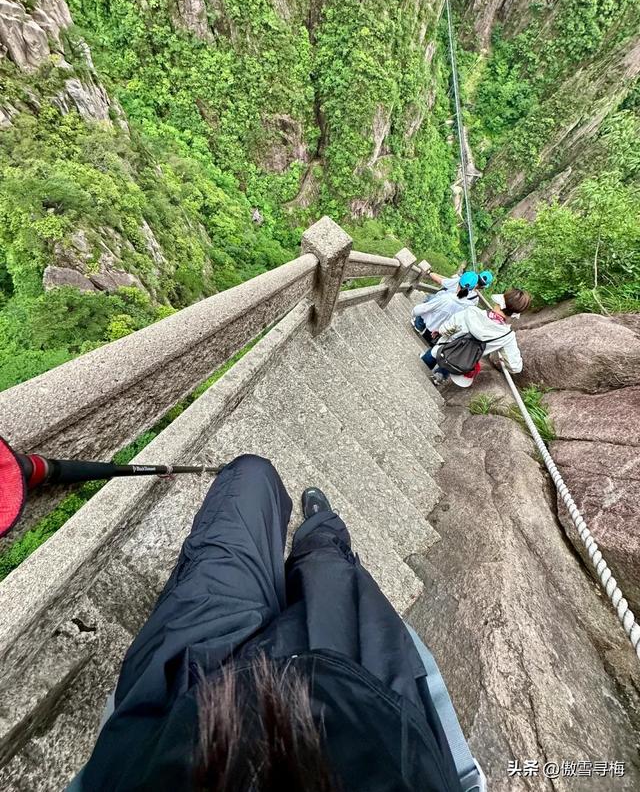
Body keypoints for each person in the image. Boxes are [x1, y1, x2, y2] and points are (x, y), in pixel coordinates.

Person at [67, 454, 477, 792]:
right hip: (371, 695)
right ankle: (322, 531)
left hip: (189, 696)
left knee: (251, 475)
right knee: (329, 565)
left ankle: (313, 532)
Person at [420, 288, 532, 388]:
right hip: (462, 361)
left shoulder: (472, 312)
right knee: (454, 360)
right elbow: (515, 367)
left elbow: (449, 327)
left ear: (500, 301)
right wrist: (503, 359)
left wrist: (440, 331)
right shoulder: (507, 336)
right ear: (515, 314)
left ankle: (422, 367)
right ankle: (440, 375)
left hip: (443, 349)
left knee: (435, 353)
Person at [411, 271, 479, 346]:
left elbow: (424, 308)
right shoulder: (469, 307)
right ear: (472, 289)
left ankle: (418, 326)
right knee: (426, 342)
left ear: (459, 281)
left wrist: (414, 312)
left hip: (430, 324)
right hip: (440, 333)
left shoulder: (446, 298)